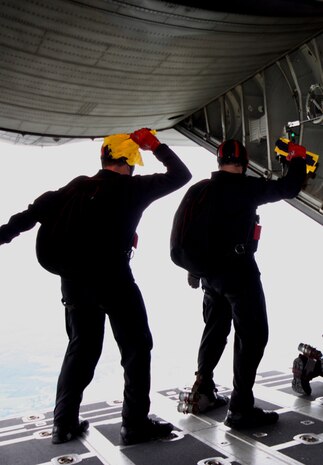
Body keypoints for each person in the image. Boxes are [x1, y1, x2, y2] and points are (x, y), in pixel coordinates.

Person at [0, 128, 191, 445]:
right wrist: (156, 146)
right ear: (130, 161)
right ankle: (134, 425)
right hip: (113, 281)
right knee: (136, 349)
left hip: (74, 283)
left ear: (103, 157)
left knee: (82, 350)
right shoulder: (132, 188)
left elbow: (26, 217)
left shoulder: (76, 187)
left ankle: (63, 425)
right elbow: (180, 175)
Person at [180, 139, 307, 429]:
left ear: (218, 161)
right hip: (239, 272)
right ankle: (240, 407)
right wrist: (296, 160)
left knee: (214, 330)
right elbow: (288, 187)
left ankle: (205, 388)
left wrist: (194, 270)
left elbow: (192, 233)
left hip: (209, 275)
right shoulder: (246, 188)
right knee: (253, 336)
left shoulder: (201, 190)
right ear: (245, 162)